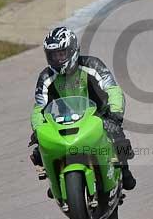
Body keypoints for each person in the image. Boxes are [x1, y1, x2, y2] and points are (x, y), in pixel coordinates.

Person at [29, 26, 136, 190]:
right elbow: (39, 107)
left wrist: (115, 113)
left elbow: (112, 89)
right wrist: (38, 128)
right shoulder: (45, 77)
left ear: (72, 50)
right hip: (61, 121)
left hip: (98, 116)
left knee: (117, 134)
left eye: (61, 53)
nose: (57, 59)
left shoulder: (92, 65)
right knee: (40, 148)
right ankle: (54, 177)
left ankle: (124, 169)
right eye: (53, 55)